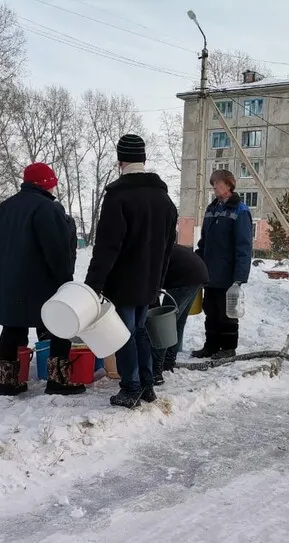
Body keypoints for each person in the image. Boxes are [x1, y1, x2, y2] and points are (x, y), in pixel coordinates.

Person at [85, 134, 177, 408]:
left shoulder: (119, 197)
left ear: (120, 161)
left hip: (124, 280)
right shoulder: (164, 199)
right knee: (139, 331)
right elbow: (168, 246)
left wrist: (94, 284)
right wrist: (158, 281)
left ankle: (131, 387)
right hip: (149, 279)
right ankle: (147, 385)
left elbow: (107, 246)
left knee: (124, 333)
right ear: (144, 159)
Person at [0, 163, 82, 397]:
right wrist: (65, 279)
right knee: (59, 326)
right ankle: (58, 380)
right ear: (47, 184)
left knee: (11, 328)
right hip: (41, 282)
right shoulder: (47, 208)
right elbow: (57, 250)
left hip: (8, 281)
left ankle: (8, 383)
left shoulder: (6, 207)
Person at [192, 169, 253, 360]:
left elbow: (244, 246)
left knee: (226, 314)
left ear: (228, 185)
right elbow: (204, 242)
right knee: (211, 311)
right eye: (213, 183)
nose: (214, 186)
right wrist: (197, 264)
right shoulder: (212, 209)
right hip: (210, 273)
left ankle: (228, 348)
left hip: (228, 274)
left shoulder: (240, 211)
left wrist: (239, 277)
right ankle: (211, 346)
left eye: (217, 183)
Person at [151, 243, 209, 385]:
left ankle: (155, 371)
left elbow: (152, 284)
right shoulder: (156, 245)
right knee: (177, 321)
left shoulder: (148, 253)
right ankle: (169, 360)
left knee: (164, 324)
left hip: (186, 276)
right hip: (197, 273)